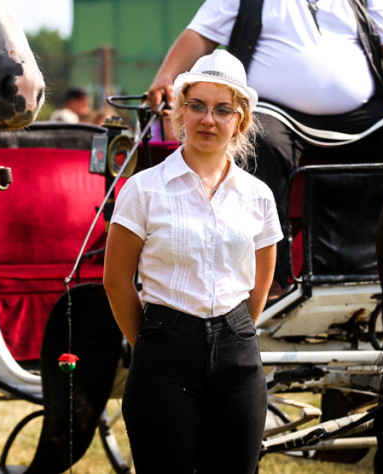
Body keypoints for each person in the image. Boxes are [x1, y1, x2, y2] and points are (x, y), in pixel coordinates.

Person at [146, 0, 383, 289]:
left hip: (363, 119)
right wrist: (166, 79)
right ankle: (271, 280)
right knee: (258, 140)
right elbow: (199, 37)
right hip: (276, 114)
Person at [104, 49, 280, 474]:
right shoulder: (143, 190)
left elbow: (260, 283)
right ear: (179, 111)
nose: (208, 120)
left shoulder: (258, 196)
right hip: (164, 357)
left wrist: (235, 333)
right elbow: (116, 281)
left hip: (238, 361)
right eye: (197, 106)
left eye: (223, 110)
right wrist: (152, 340)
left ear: (240, 121)